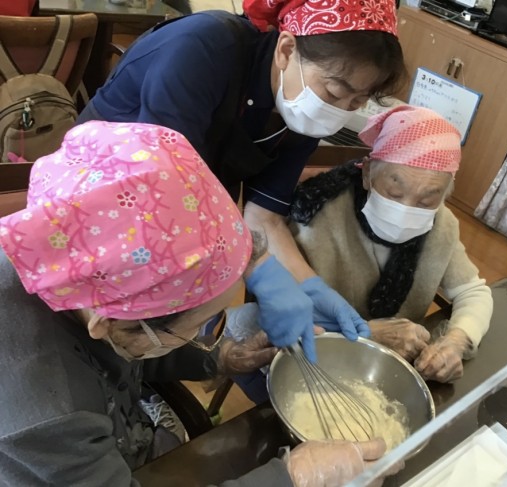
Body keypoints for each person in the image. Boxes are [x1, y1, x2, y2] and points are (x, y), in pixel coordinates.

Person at [0, 121, 398, 486]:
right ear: (106, 322)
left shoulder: (81, 278)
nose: (204, 333)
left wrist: (220, 358)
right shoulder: (51, 414)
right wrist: (291, 476)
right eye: (198, 327)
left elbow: (132, 346)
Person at [76, 0, 407, 361]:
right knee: (105, 326)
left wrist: (309, 286)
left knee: (163, 336)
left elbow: (263, 215)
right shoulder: (202, 49)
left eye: (357, 102)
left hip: (187, 209)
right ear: (286, 49)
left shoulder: (301, 114)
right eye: (335, 93)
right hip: (104, 196)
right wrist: (262, 273)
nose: (339, 111)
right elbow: (169, 196)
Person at [226, 106, 493, 402]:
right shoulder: (317, 215)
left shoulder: (440, 225)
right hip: (314, 359)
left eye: (427, 200)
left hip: (382, 373)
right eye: (394, 193)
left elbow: (474, 292)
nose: (406, 209)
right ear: (367, 173)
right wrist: (367, 335)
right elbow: (286, 314)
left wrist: (456, 341)